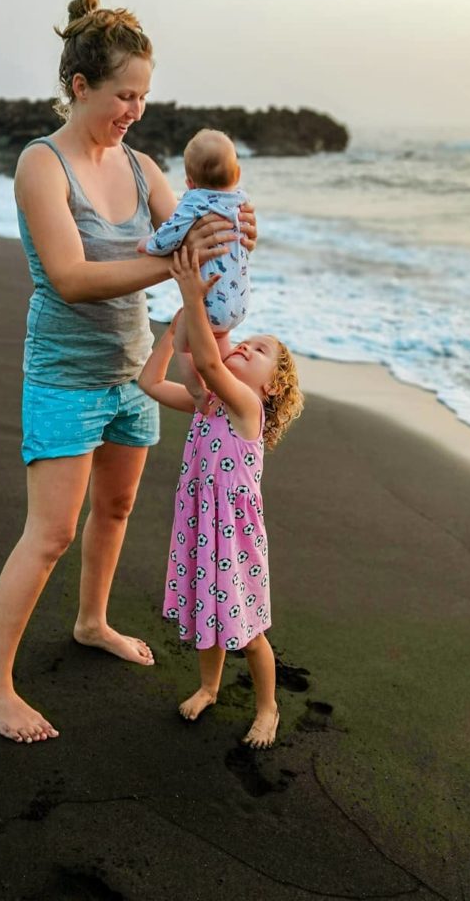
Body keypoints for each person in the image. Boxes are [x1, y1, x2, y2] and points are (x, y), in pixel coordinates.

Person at [0, 0, 258, 743]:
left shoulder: (140, 166)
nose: (135, 109)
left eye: (143, 95)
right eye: (123, 94)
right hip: (65, 374)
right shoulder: (41, 165)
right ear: (79, 87)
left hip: (130, 371)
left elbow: (196, 224)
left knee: (118, 509)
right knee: (50, 534)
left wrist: (233, 227)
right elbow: (68, 277)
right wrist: (170, 260)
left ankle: (91, 621)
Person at [138, 246, 303, 748]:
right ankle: (209, 686)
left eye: (258, 351)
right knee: (207, 614)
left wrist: (190, 292)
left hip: (235, 539)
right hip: (199, 526)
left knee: (247, 627)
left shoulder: (244, 406)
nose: (245, 347)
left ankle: (268, 708)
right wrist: (176, 325)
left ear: (271, 388)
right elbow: (153, 379)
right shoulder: (207, 405)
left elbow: (207, 359)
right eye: (245, 342)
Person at [137, 129, 248, 411]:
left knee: (183, 345)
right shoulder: (240, 202)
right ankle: (224, 389)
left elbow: (169, 237)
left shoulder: (193, 202)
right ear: (237, 175)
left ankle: (197, 390)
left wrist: (148, 244)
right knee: (218, 337)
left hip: (208, 304)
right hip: (239, 304)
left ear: (189, 182)